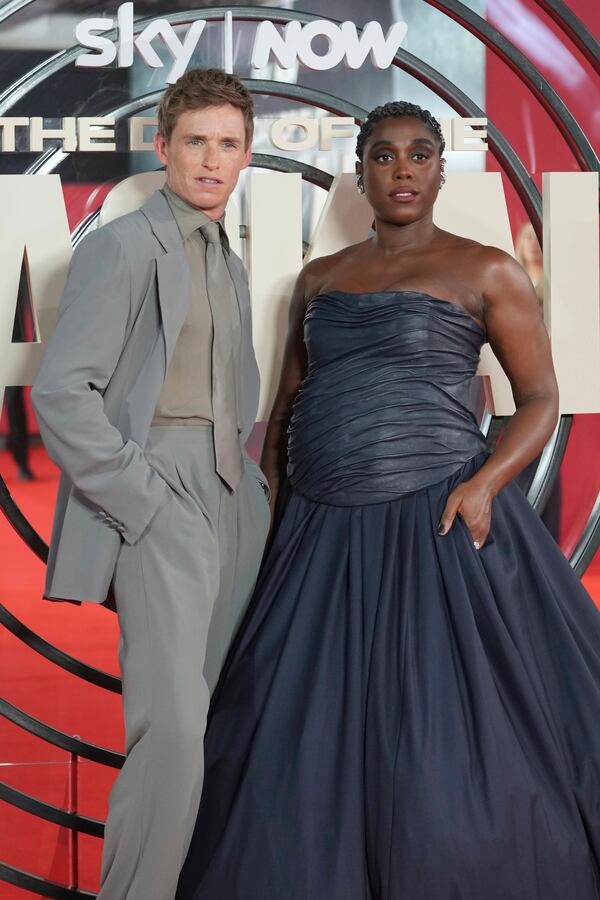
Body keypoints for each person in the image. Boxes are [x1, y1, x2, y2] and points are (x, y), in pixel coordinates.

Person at [176, 102, 600, 900]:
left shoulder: (486, 269)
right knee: (293, 729)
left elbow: (542, 399)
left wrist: (484, 484)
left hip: (436, 516)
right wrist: (270, 531)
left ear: (441, 170)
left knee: (434, 730)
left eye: (417, 156)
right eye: (382, 156)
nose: (401, 171)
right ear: (360, 171)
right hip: (319, 525)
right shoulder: (320, 279)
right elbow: (287, 413)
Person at [31, 68, 270, 900]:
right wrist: (144, 502)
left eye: (228, 144)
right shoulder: (124, 245)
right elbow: (63, 393)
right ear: (162, 147)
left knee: (212, 721)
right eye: (195, 141)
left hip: (233, 497)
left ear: (245, 155)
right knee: (168, 728)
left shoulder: (226, 257)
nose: (211, 160)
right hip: (159, 490)